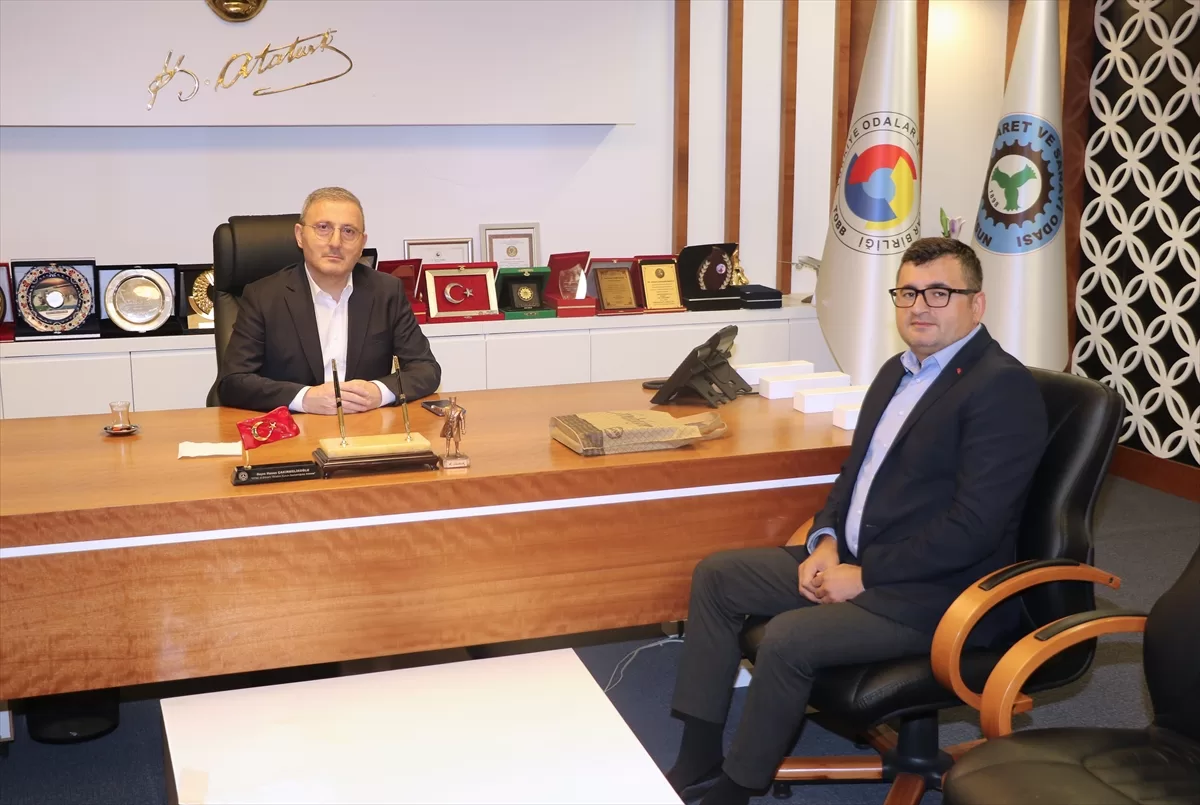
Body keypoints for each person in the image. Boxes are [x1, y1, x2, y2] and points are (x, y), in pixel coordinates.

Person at [666, 238, 1049, 805]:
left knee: (789, 638)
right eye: (908, 293)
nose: (919, 307)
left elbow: (974, 528)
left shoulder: (999, 388)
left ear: (977, 304)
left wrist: (866, 576)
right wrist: (824, 541)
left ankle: (737, 786)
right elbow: (855, 475)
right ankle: (699, 753)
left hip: (938, 593)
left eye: (939, 293)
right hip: (859, 558)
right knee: (719, 576)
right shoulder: (898, 371)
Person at [219, 187, 441, 413]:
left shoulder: (386, 292)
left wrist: (379, 392)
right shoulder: (263, 296)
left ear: (362, 243)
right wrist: (304, 398)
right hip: (295, 426)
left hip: (365, 426)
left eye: (348, 231)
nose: (336, 242)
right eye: (323, 228)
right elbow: (232, 382)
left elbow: (426, 369)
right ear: (299, 235)